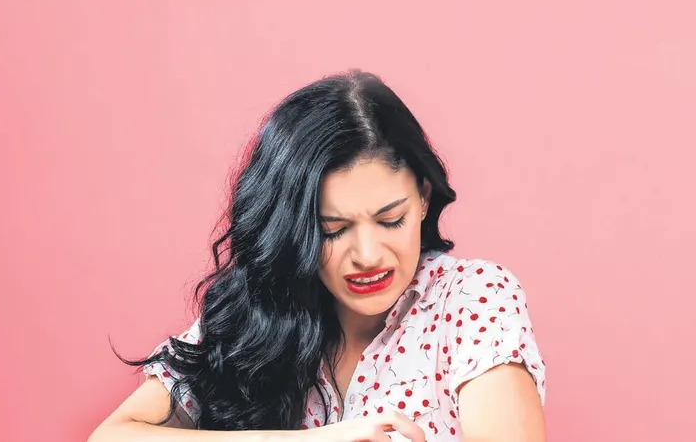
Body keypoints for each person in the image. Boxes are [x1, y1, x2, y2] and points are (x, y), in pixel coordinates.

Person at [89, 70, 546, 441]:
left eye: (391, 220)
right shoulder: (256, 312)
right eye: (333, 230)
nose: (367, 255)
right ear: (292, 230)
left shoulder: (470, 300)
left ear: (423, 198)